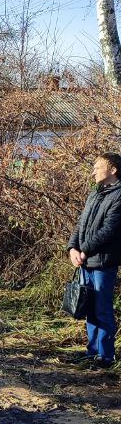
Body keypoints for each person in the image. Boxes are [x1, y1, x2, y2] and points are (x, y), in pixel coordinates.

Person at [68, 151, 121, 370]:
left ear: (113, 170)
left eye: (98, 167)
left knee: (102, 308)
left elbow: (109, 230)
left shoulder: (119, 196)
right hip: (86, 261)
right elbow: (81, 223)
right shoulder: (96, 193)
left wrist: (84, 251)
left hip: (103, 262)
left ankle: (106, 356)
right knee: (90, 307)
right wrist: (72, 247)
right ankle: (92, 352)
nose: (93, 171)